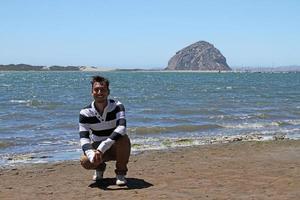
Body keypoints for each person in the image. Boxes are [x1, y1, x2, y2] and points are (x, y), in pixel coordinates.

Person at [79, 75, 131, 186]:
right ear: (91, 92)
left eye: (102, 90)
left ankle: (120, 174)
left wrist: (102, 148)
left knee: (123, 138)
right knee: (85, 161)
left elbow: (122, 128)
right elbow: (84, 138)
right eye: (96, 90)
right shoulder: (85, 112)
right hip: (98, 148)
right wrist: (92, 154)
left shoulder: (117, 106)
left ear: (108, 92)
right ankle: (99, 168)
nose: (99, 92)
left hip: (116, 146)